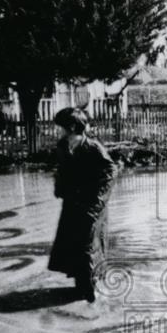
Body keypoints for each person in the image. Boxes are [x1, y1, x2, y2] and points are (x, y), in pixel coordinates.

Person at [47, 107, 116, 303]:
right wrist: (59, 187)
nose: (58, 130)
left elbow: (110, 172)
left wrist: (98, 202)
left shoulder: (93, 147)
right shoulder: (62, 146)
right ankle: (80, 289)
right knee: (72, 243)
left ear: (71, 127)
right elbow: (60, 169)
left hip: (92, 204)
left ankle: (90, 293)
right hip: (72, 203)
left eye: (60, 126)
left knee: (88, 245)